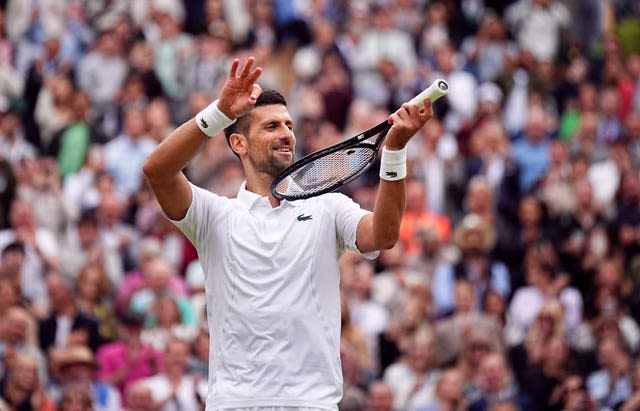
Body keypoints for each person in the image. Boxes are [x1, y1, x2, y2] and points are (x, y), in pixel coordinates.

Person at [143, 55, 434, 409]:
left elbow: (384, 235)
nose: (287, 134)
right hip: (235, 402)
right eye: (271, 127)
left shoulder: (328, 207)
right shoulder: (215, 215)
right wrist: (219, 112)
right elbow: (158, 170)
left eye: (289, 125)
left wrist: (395, 153)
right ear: (239, 143)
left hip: (311, 402)